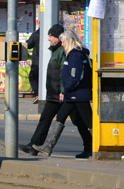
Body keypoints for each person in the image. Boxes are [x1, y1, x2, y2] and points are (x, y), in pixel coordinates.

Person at [33, 29, 93, 158]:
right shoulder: (73, 54)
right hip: (73, 94)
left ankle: (96, 146)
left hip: (78, 94)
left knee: (88, 121)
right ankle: (48, 146)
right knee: (62, 117)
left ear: (69, 41)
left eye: (63, 42)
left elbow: (75, 76)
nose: (62, 44)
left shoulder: (75, 55)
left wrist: (67, 89)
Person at [20, 24, 65, 156]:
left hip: (60, 94)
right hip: (54, 94)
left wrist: (63, 90)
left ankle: (91, 145)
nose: (48, 39)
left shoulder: (61, 51)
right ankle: (34, 146)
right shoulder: (57, 50)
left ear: (57, 37)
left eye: (50, 36)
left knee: (80, 121)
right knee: (45, 118)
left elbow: (63, 73)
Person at [25, 26, 40, 101]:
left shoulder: (36, 34)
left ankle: (37, 94)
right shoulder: (52, 35)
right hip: (48, 62)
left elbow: (28, 45)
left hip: (36, 62)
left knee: (33, 77)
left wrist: (26, 41)